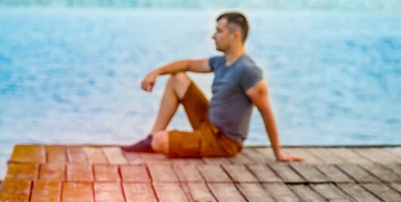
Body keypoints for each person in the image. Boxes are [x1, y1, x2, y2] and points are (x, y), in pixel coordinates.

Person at [121, 11, 304, 162]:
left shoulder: (248, 71)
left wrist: (279, 153)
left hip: (223, 141)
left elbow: (266, 113)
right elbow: (188, 64)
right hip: (208, 124)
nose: (213, 36)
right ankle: (150, 137)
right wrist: (155, 73)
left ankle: (155, 140)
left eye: (218, 31)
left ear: (235, 35)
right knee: (177, 78)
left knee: (161, 142)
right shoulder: (221, 62)